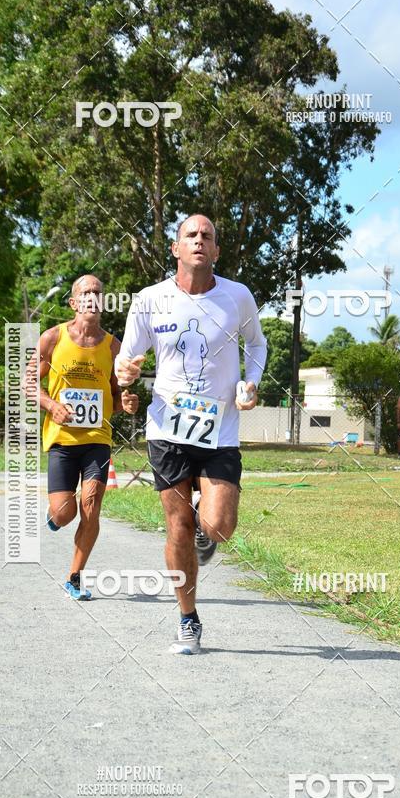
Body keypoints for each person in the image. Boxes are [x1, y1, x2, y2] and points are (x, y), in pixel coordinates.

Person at [117, 214, 267, 654]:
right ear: (176, 249)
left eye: (208, 236)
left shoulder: (237, 297)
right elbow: (126, 359)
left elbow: (257, 344)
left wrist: (251, 382)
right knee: (178, 525)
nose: (199, 240)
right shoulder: (149, 300)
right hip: (168, 428)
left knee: (217, 527)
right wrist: (123, 374)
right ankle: (188, 619)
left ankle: (207, 531)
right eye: (191, 235)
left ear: (216, 251)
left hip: (220, 428)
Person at [26, 275, 136, 600]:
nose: (92, 297)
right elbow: (28, 383)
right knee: (65, 512)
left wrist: (125, 404)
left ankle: (75, 576)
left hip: (97, 440)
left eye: (98, 292)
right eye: (85, 293)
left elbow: (117, 397)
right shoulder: (52, 338)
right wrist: (50, 405)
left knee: (91, 506)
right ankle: (55, 514)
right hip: (62, 440)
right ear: (74, 303)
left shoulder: (114, 347)